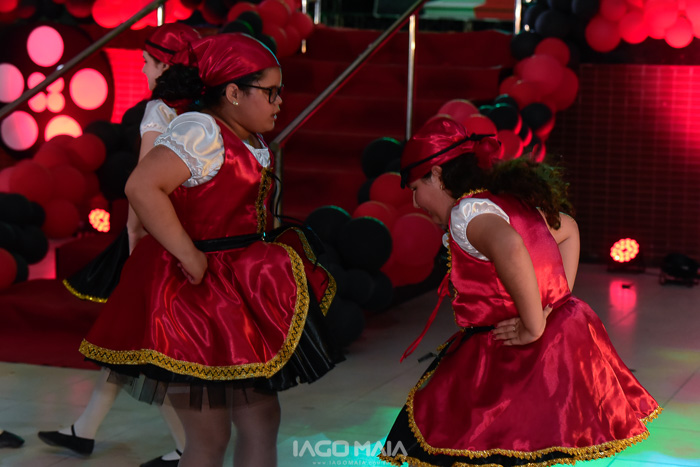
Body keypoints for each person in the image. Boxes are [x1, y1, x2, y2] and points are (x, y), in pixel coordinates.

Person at [77, 32, 341, 467]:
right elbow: (142, 186)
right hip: (194, 297)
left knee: (261, 419)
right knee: (209, 434)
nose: (279, 102)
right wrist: (189, 254)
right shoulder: (199, 130)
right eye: (270, 92)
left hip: (237, 287)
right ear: (233, 92)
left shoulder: (246, 135)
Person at [378, 115, 661, 466]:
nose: (415, 202)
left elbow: (510, 246)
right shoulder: (497, 203)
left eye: (414, 189)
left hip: (506, 352)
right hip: (550, 341)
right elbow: (568, 229)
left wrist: (534, 324)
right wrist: (554, 303)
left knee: (471, 439)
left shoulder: (467, 215)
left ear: (436, 174)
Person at [39, 22, 201, 467]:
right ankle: (85, 429)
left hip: (152, 240)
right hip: (184, 234)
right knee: (126, 340)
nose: (143, 70)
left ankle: (188, 446)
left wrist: (132, 241)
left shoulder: (158, 110)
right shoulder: (201, 110)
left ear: (164, 65)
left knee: (143, 346)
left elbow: (142, 186)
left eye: (147, 62)